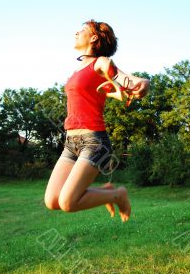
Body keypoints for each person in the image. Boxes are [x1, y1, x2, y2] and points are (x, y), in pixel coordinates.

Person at [44, 19, 150, 222]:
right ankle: (108, 191)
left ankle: (118, 195)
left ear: (93, 38)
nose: (76, 32)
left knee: (68, 203)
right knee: (52, 200)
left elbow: (124, 78)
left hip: (94, 141)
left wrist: (143, 82)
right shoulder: (77, 70)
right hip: (71, 142)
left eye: (82, 30)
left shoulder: (100, 63)